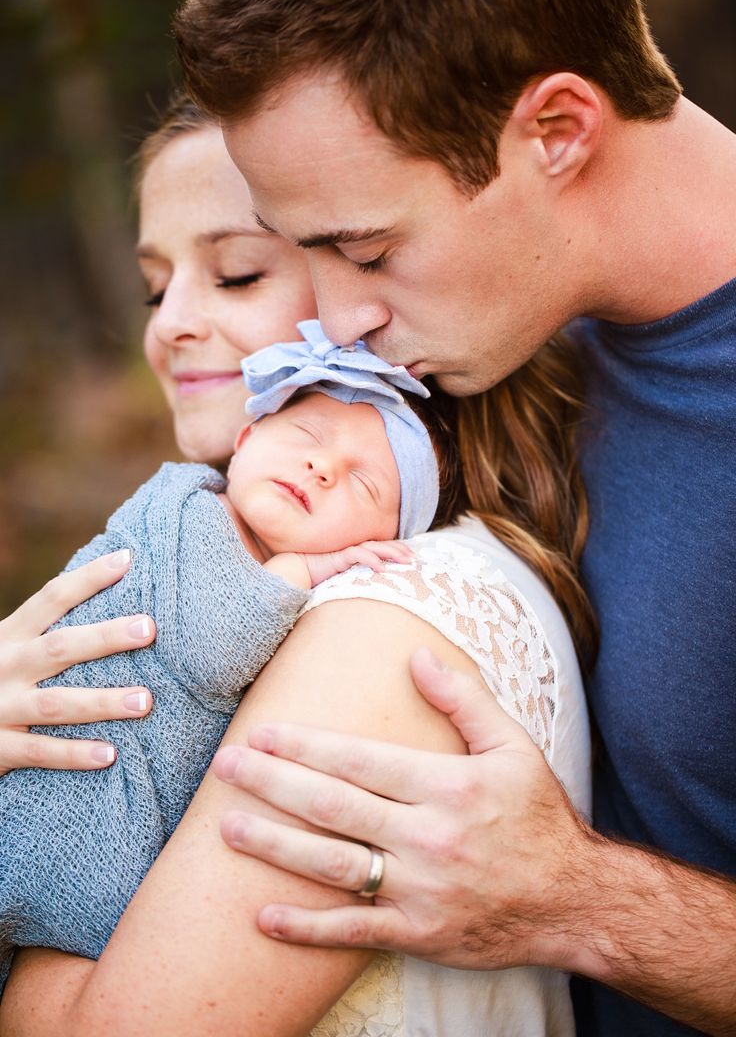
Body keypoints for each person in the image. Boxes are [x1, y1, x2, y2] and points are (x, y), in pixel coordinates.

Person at [171, 0, 736, 1036]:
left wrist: (586, 904)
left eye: (371, 252)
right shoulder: (500, 339)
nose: (338, 326)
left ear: (559, 132)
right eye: (299, 254)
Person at [0, 97, 592, 1034]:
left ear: (364, 276)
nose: (174, 326)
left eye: (237, 274)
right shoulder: (202, 558)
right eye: (155, 289)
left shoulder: (382, 618)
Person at [0, 323, 454, 992]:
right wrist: (303, 568)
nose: (322, 468)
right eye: (306, 436)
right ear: (243, 443)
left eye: (363, 486)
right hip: (54, 803)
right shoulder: (191, 513)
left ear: (385, 541)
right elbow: (215, 651)